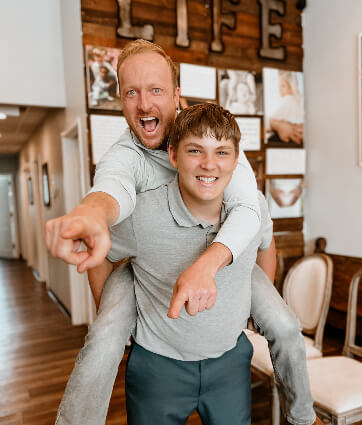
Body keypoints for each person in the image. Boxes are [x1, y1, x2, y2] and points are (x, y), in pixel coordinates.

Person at [48, 39, 320, 425]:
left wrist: (244, 302)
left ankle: (302, 418)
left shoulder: (211, 135)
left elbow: (251, 214)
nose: (144, 104)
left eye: (155, 90)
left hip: (226, 252)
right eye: (132, 93)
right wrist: (93, 215)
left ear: (176, 95)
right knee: (105, 337)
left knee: (285, 324)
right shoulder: (126, 156)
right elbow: (111, 190)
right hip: (146, 257)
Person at [94, 103, 273, 424]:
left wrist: (254, 313)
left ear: (236, 161)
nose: (209, 165)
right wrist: (114, 322)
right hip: (157, 366)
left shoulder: (253, 206)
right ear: (173, 156)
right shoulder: (141, 214)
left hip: (230, 361)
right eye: (195, 151)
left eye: (221, 152)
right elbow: (99, 252)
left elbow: (266, 246)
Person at [268, 70, 304, 144]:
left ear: (292, 85)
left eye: (283, 86)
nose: (280, 90)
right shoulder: (299, 101)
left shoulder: (288, 100)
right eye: (279, 86)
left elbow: (270, 120)